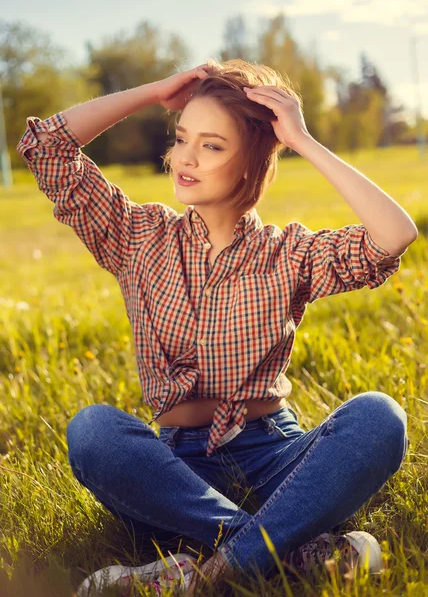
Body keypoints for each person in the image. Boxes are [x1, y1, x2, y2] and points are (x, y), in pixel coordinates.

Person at [17, 58, 416, 596]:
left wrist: (303, 140)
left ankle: (202, 569)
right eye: (183, 138)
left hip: (275, 456)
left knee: (379, 418)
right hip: (178, 469)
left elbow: (392, 235)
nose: (185, 156)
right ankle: (287, 549)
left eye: (212, 145)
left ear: (253, 162)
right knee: (93, 430)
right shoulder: (138, 238)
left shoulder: (288, 254)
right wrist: (154, 91)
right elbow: (48, 149)